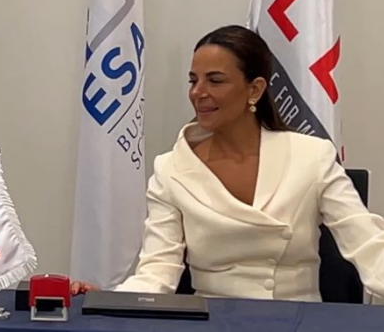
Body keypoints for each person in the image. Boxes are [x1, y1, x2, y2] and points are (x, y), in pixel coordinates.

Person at [72, 25, 384, 302]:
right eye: (193, 80)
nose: (198, 92)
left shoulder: (312, 156)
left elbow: (367, 244)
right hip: (212, 322)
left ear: (255, 89)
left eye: (215, 80)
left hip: (296, 321)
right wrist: (106, 300)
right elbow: (157, 272)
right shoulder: (171, 170)